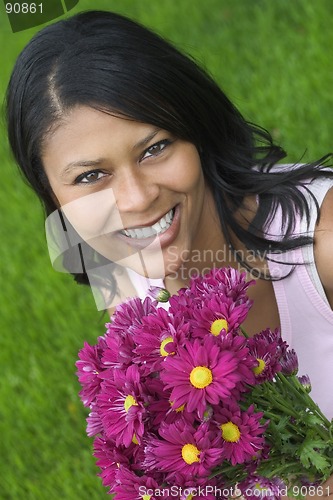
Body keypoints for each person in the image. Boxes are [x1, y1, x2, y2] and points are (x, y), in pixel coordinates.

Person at [6, 10, 333, 497]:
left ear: (197, 131)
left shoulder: (323, 240)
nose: (136, 200)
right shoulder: (114, 265)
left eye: (155, 148)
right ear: (54, 198)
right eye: (91, 177)